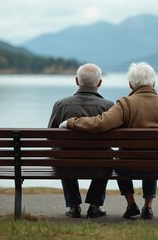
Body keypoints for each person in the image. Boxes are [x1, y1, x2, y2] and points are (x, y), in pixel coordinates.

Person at [59, 62, 158, 219]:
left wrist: (72, 122)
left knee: (118, 161)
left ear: (131, 85)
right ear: (154, 83)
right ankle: (148, 207)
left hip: (129, 167)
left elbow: (100, 123)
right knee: (154, 158)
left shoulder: (125, 103)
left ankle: (131, 204)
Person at [48, 63, 114, 218]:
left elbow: (51, 137)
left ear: (77, 81)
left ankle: (73, 206)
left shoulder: (60, 105)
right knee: (107, 157)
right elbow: (113, 139)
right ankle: (95, 205)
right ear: (99, 83)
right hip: (99, 166)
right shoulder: (108, 106)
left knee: (61, 155)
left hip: (66, 165)